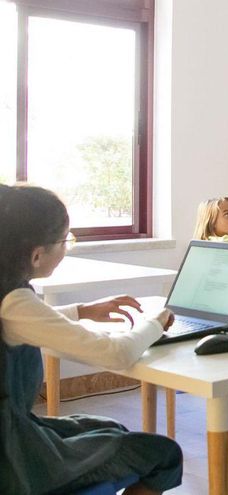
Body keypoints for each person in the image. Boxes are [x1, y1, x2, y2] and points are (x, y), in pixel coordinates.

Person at [0, 184, 182, 494]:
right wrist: (158, 322)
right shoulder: (14, 301)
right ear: (36, 254)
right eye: (65, 240)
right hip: (12, 459)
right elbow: (118, 355)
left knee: (110, 428)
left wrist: (82, 310)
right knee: (163, 454)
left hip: (13, 433)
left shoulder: (9, 296)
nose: (66, 248)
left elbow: (22, 322)